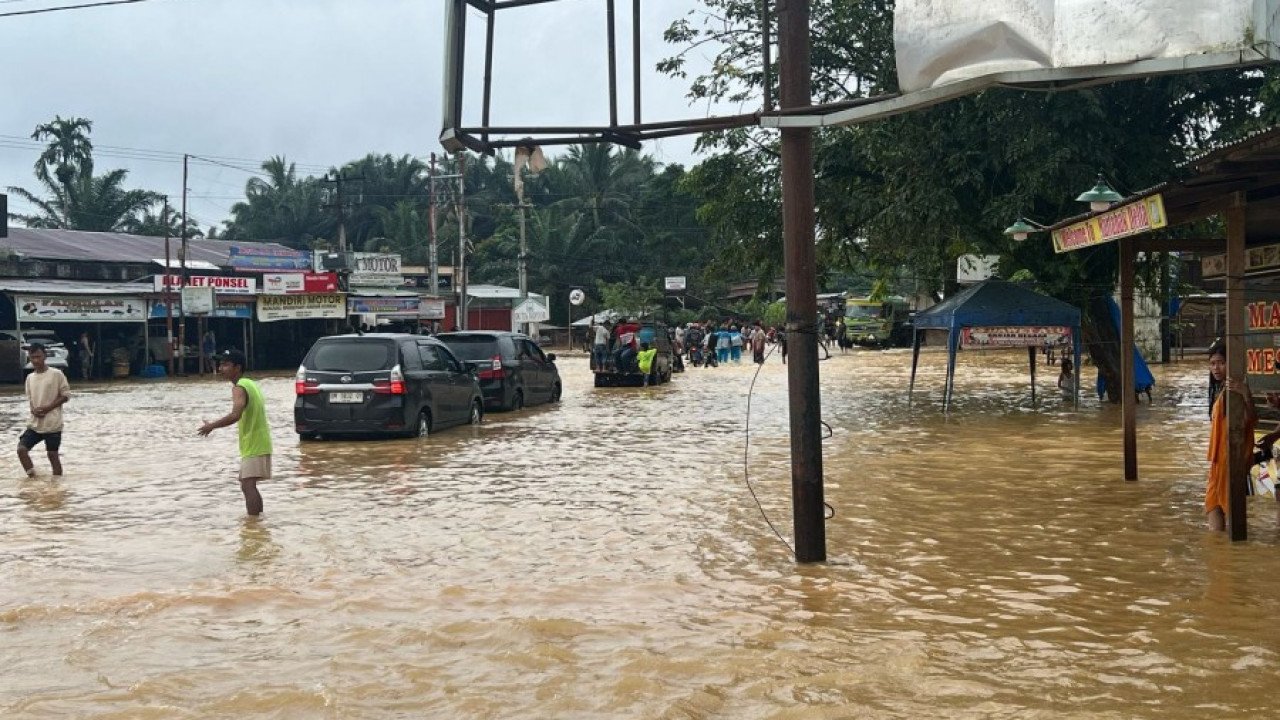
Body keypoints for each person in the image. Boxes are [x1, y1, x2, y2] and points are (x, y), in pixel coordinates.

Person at [198, 349, 272, 516]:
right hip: (259, 441)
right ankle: (258, 522)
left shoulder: (239, 388)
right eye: (220, 364)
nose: (220, 368)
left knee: (247, 484)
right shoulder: (251, 384)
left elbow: (235, 415)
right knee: (248, 483)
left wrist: (212, 426)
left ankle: (253, 523)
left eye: (225, 364)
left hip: (254, 442)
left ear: (237, 367)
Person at [1204, 341, 1257, 532]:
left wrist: (1246, 394)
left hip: (1231, 458)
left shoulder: (1235, 390)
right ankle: (1221, 554)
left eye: (1220, 363)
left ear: (1230, 364)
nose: (1216, 368)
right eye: (1212, 363)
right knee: (1213, 505)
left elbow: (1249, 420)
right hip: (1218, 461)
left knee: (1228, 507)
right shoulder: (1219, 390)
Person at [18, 344, 71, 477]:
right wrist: (33, 410)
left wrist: (48, 408)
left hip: (53, 423)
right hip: (35, 423)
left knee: (52, 455)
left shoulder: (56, 374)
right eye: (32, 357)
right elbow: (30, 399)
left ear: (45, 356)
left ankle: (57, 486)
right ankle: (33, 478)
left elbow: (65, 396)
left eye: (38, 357)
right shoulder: (30, 378)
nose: (35, 360)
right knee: (21, 450)